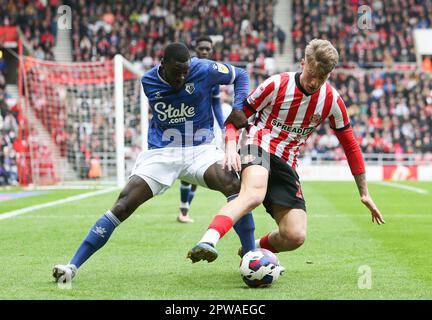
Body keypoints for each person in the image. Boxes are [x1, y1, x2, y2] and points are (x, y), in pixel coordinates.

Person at [52, 42, 256, 284]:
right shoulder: (148, 82)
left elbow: (241, 76)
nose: (182, 76)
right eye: (177, 71)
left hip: (200, 149)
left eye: (185, 71)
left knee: (232, 184)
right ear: (163, 65)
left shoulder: (204, 68)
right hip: (162, 152)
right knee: (123, 205)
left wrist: (238, 106)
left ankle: (250, 255)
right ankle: (72, 267)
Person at [187, 39, 385, 264]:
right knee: (253, 194)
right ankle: (208, 240)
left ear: (329, 75)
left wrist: (364, 192)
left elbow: (350, 145)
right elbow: (237, 116)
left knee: (295, 236)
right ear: (303, 63)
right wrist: (231, 144)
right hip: (258, 144)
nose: (313, 82)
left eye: (321, 77)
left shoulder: (332, 101)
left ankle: (253, 249)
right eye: (311, 73)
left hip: (287, 161)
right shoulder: (276, 84)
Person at [177, 35, 226, 223]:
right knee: (187, 169)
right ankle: (183, 210)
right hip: (185, 128)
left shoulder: (213, 74)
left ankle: (184, 209)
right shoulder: (185, 71)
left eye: (208, 49)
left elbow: (216, 104)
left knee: (199, 169)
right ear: (195, 50)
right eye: (201, 48)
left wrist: (222, 127)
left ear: (212, 51)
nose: (204, 52)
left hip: (205, 129)